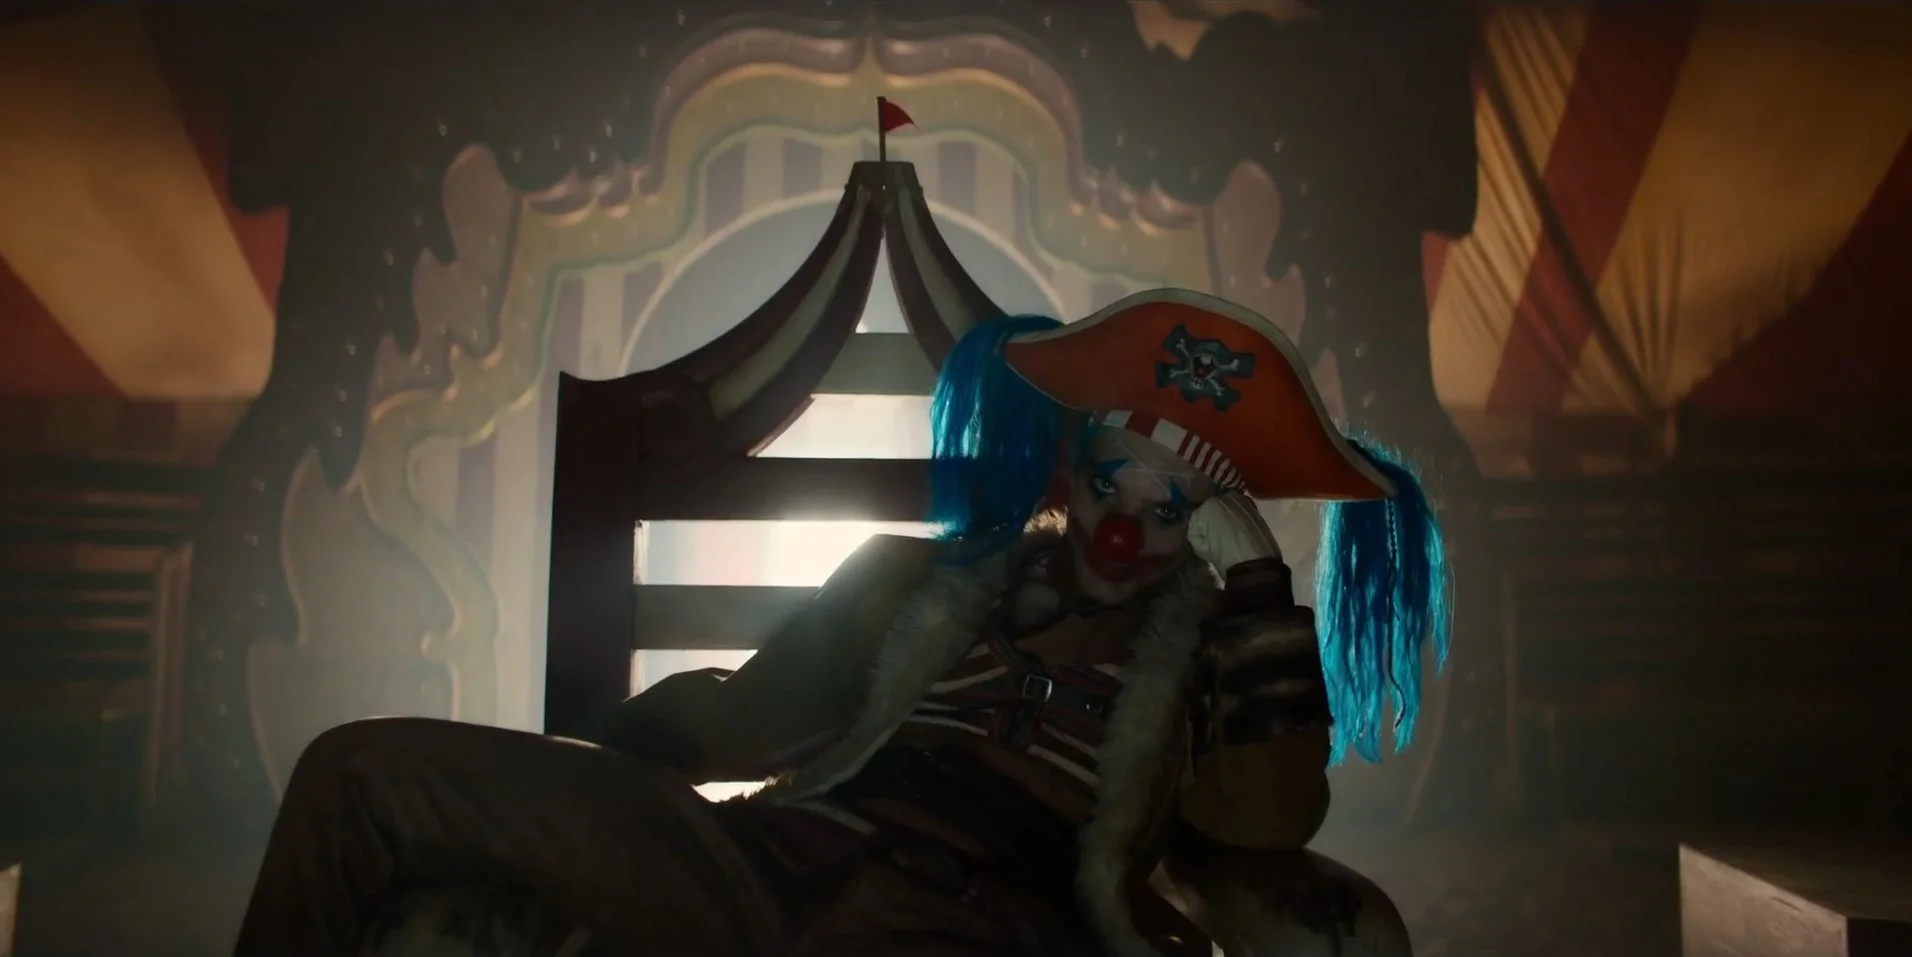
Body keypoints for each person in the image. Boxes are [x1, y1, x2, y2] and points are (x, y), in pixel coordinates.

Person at [234, 288, 1449, 957]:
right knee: (361, 777)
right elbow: (734, 721)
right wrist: (568, 777)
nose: (1121, 528)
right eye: (1108, 484)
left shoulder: (1216, 665)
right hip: (765, 862)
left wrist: (1257, 594)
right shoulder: (909, 582)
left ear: (1210, 532)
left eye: (1170, 509)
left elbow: (1266, 822)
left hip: (978, 923)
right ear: (1067, 475)